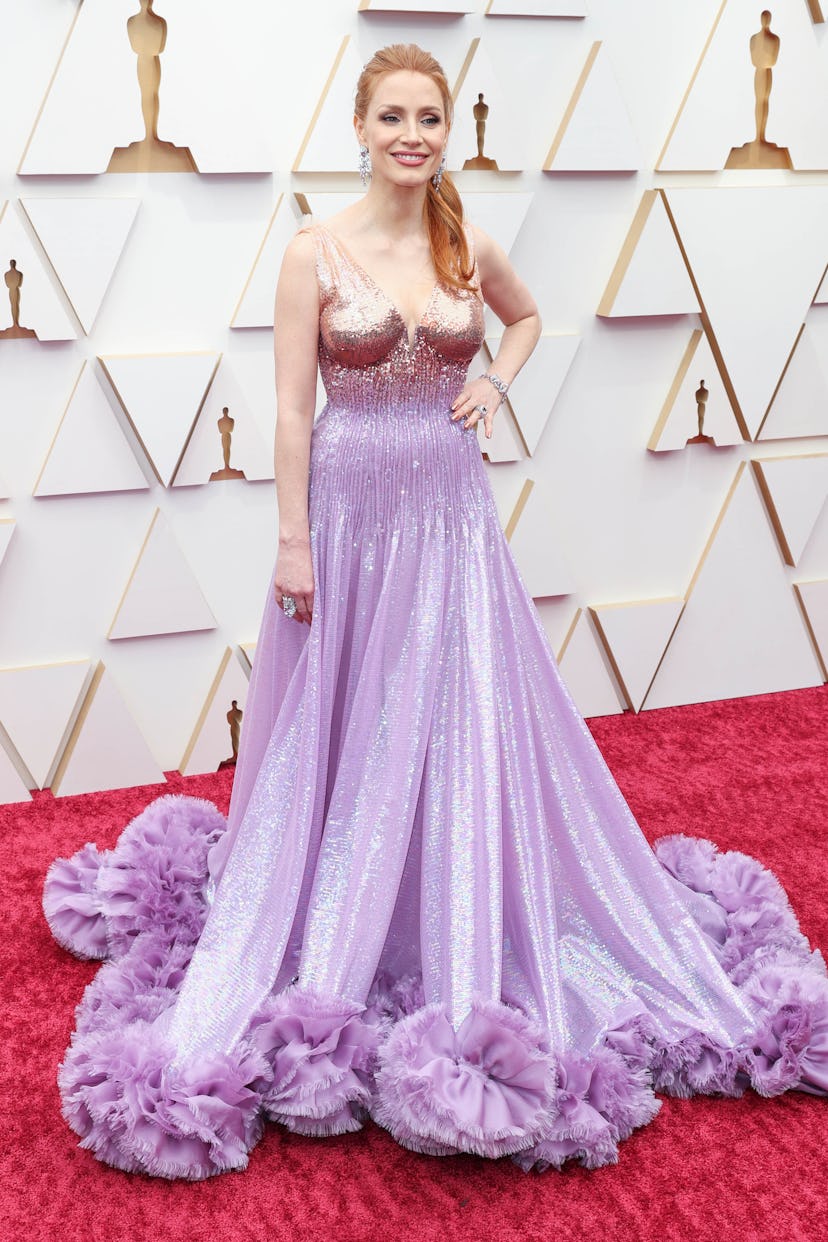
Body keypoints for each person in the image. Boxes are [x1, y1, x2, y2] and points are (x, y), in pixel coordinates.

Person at [43, 42, 827, 1182]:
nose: (411, 133)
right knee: (349, 716)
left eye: (428, 116)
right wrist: (294, 538)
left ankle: (450, 887)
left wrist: (496, 379)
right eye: (393, 115)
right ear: (359, 127)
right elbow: (290, 416)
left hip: (451, 515)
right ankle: (336, 898)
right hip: (352, 517)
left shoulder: (468, 243)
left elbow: (526, 320)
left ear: (444, 130)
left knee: (457, 714)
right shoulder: (314, 250)